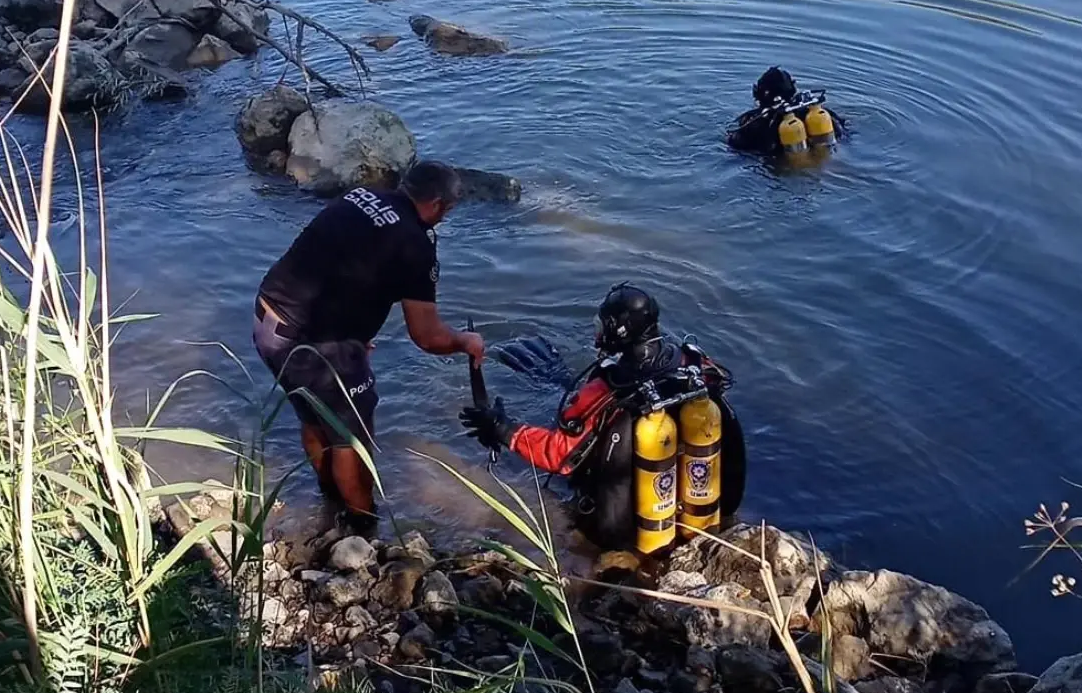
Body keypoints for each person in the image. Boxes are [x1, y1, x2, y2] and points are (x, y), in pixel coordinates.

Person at [253, 161, 485, 526]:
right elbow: (427, 337)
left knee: (316, 418)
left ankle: (330, 504)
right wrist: (465, 341)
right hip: (312, 343)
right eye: (447, 211)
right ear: (437, 204)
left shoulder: (360, 196)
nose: (444, 219)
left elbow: (339, 267)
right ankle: (363, 528)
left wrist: (356, 334)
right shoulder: (415, 244)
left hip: (268, 318)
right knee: (351, 439)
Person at [458, 283, 747, 551]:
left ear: (617, 329)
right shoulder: (695, 364)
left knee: (563, 402)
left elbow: (559, 455)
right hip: (701, 505)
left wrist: (502, 428)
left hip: (631, 524)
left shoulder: (609, 388)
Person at [726, 66, 848, 156]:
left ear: (758, 95)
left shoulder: (754, 122)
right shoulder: (817, 112)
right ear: (793, 89)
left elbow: (735, 146)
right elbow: (843, 132)